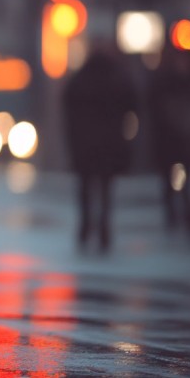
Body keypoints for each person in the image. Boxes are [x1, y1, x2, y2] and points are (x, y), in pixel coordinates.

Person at [62, 44, 137, 252]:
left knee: (85, 188)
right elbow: (132, 105)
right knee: (105, 189)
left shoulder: (81, 79)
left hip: (85, 145)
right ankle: (104, 228)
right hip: (108, 145)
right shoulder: (116, 80)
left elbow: (68, 109)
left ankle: (85, 227)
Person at [147, 46, 190, 233]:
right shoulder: (165, 83)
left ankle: (185, 213)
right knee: (169, 180)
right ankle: (174, 214)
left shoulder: (186, 82)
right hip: (170, 140)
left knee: (186, 179)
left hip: (184, 140)